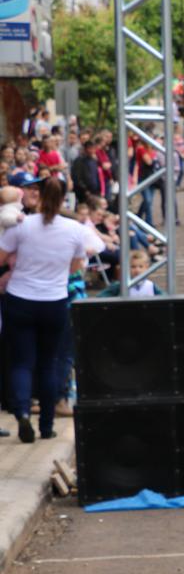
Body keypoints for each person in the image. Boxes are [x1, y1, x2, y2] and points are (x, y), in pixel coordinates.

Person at [0, 176, 91, 442]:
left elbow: (1, 257)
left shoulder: (22, 226)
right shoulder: (74, 229)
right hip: (54, 300)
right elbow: (77, 265)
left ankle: (23, 413)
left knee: (21, 362)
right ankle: (47, 426)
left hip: (21, 298)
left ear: (38, 195)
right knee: (48, 364)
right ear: (64, 199)